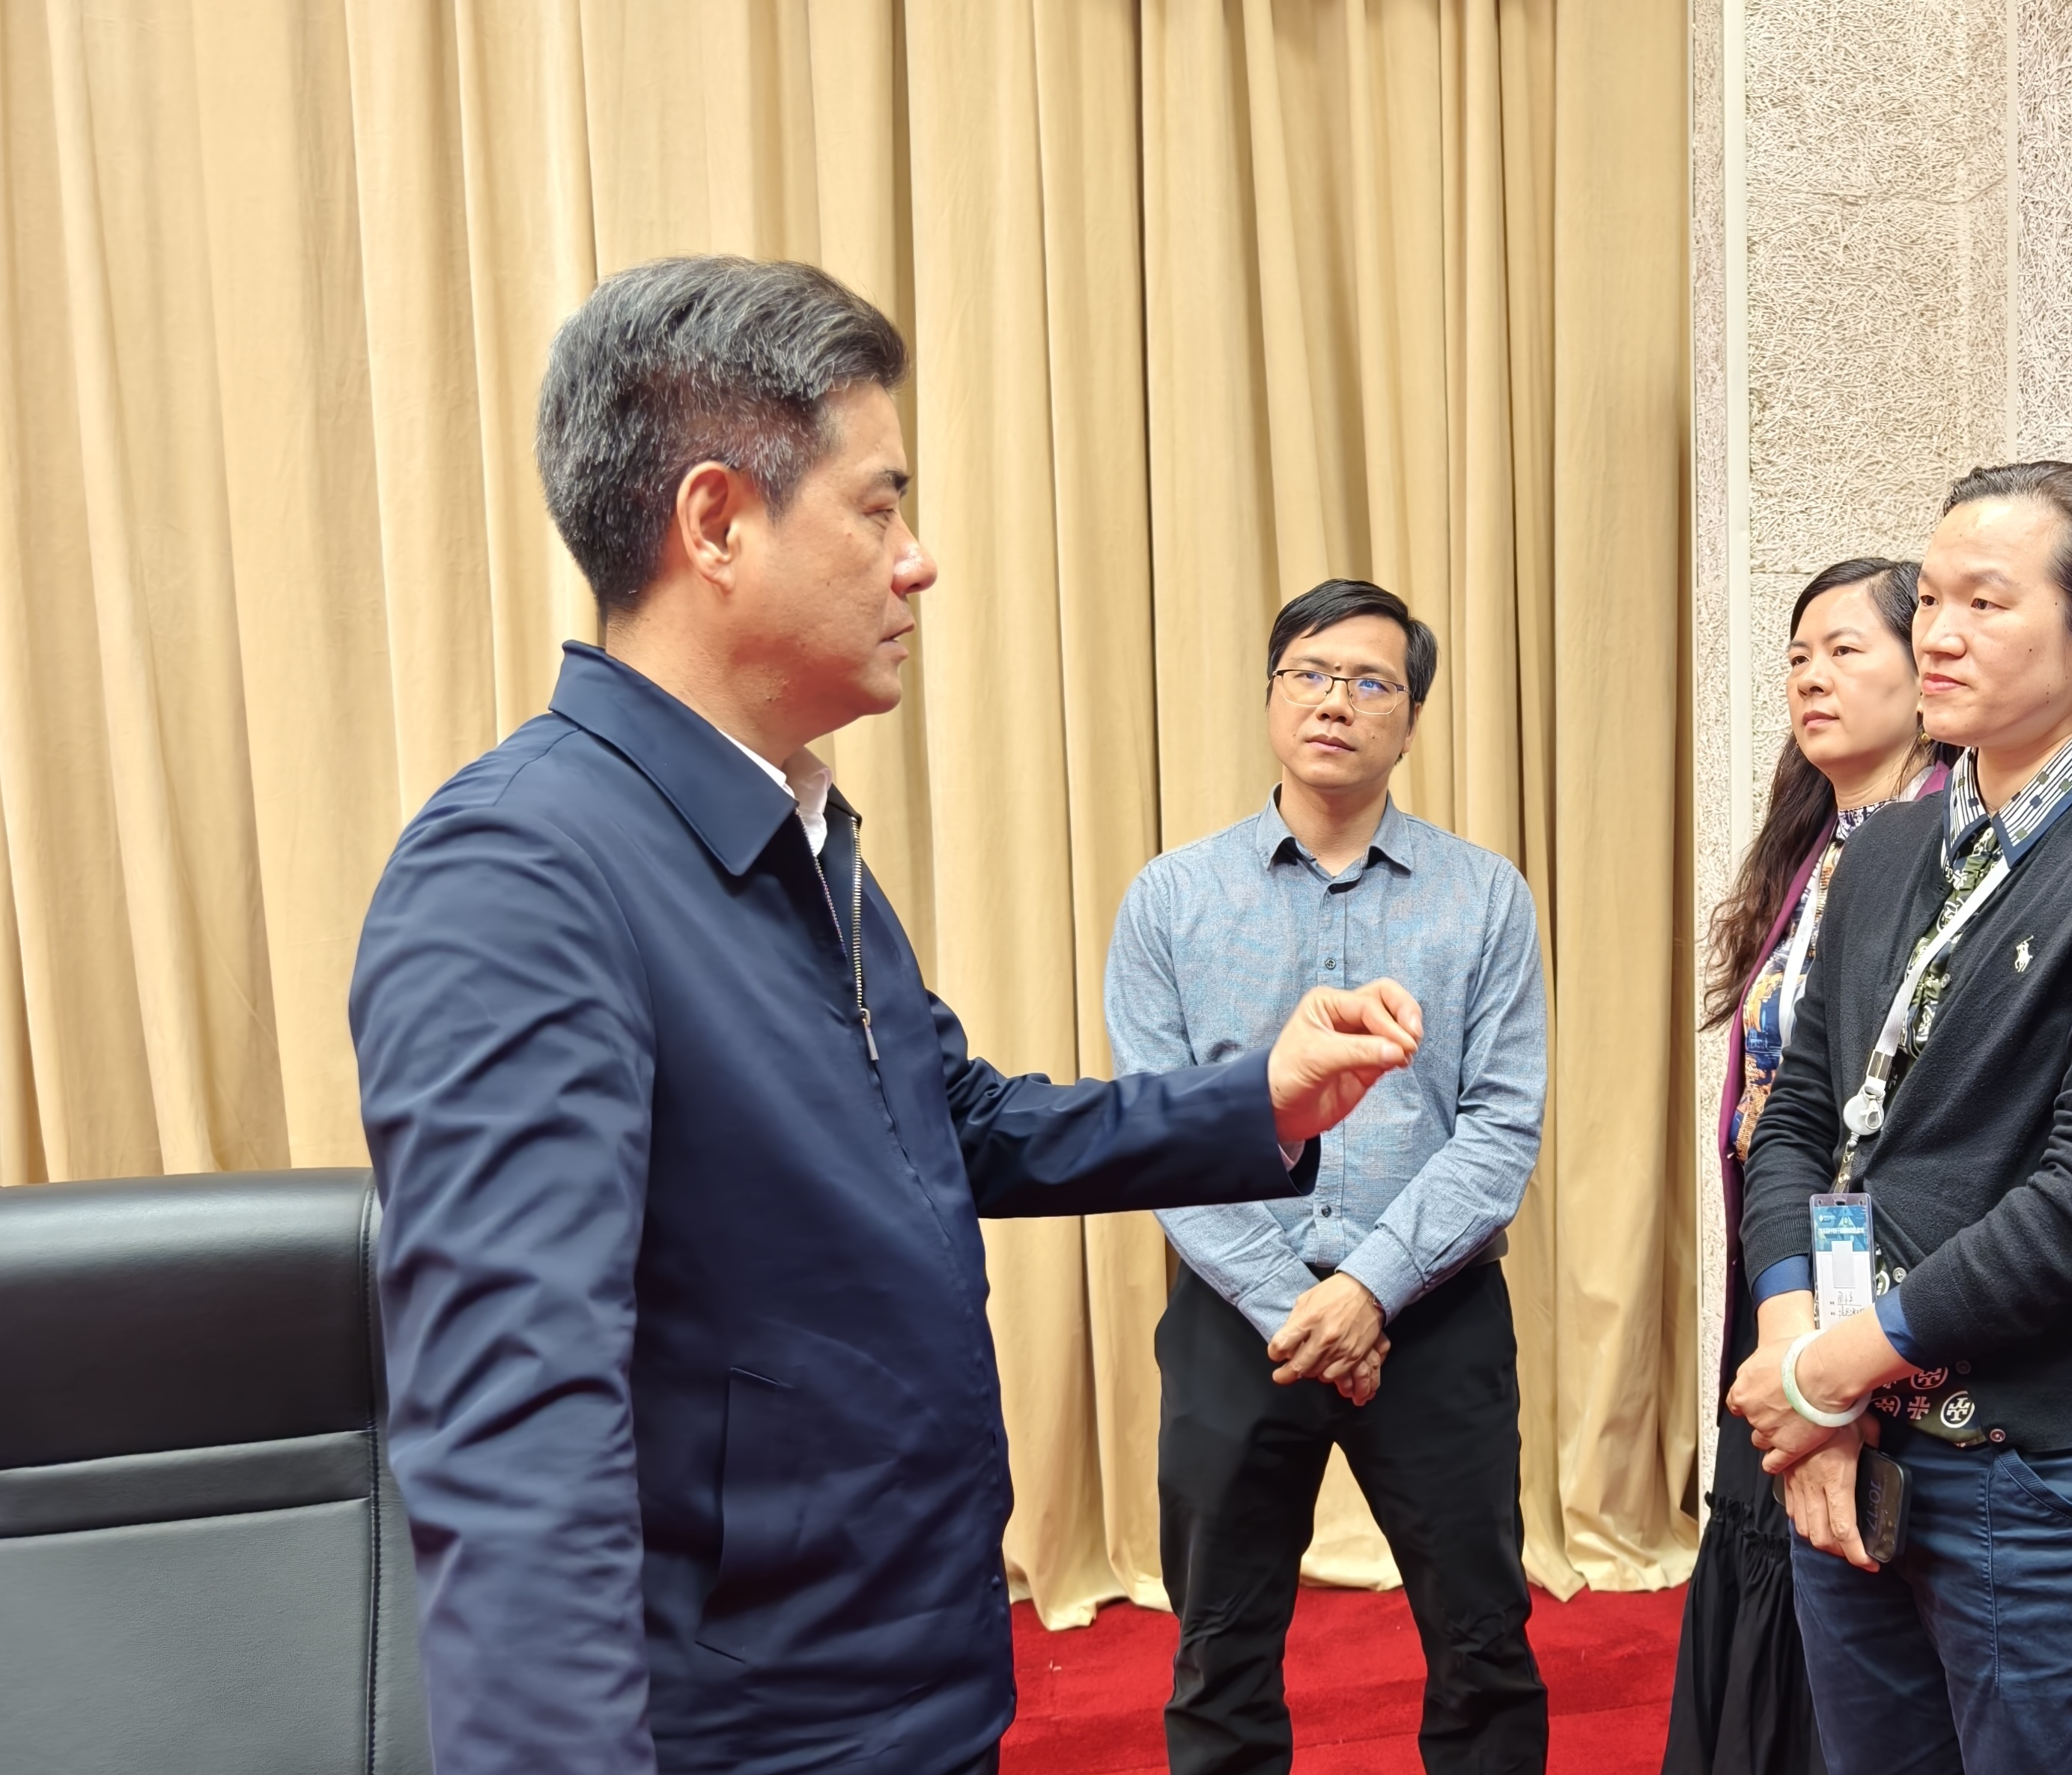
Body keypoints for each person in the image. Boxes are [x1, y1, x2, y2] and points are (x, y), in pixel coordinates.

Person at [351, 258, 1422, 1775]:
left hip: (910, 1672)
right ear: (717, 523)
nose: (917, 564)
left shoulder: (796, 832)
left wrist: (1259, 1100)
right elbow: (518, 1439)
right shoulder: (520, 873)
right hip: (751, 1726)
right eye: (878, 508)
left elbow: (950, 1121)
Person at [1726, 461, 2072, 1774]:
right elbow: (1798, 1118)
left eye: (1987, 601)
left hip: (2042, 1482)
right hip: (1855, 1446)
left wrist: (1831, 1371)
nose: (1940, 634)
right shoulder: (1885, 848)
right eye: (1931, 600)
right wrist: (1799, 1341)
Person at [1109, 579, 1549, 1775]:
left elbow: (1501, 1128)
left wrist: (1367, 1289)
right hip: (1235, 1314)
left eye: (1370, 682)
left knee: (1485, 1643)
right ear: (1270, 697)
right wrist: (1291, 1302)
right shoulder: (1172, 898)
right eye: (1308, 673)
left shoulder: (1487, 896)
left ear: (1410, 719)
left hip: (1436, 1313)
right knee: (1219, 1653)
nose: (1334, 701)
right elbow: (1160, 1133)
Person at [1667, 556, 1951, 1775]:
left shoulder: (1946, 853)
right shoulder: (1817, 850)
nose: (1810, 678)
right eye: (1796, 655)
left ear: (1925, 673)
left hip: (1877, 1289)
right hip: (1783, 1264)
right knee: (1765, 1548)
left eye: (1845, 650)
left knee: (1850, 1590)